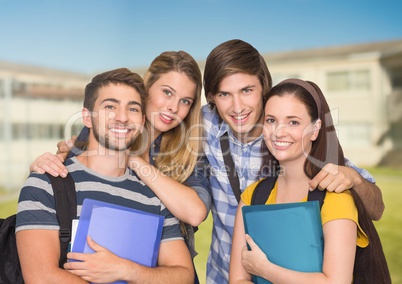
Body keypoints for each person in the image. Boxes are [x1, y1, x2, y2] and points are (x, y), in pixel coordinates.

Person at [201, 39, 385, 283]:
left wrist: (355, 181)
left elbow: (376, 208)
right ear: (212, 97)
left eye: (247, 90)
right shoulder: (204, 126)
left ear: (263, 86)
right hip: (221, 272)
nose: (237, 107)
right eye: (224, 94)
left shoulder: (318, 170)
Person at [28, 51, 211, 284]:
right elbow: (63, 181)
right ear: (147, 88)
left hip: (161, 272)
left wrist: (133, 160)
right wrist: (43, 165)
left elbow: (195, 213)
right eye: (167, 92)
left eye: (185, 101)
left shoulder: (189, 152)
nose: (174, 107)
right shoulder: (106, 128)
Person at [229, 78, 390, 283]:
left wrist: (265, 269)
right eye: (271, 120)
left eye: (293, 122)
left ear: (315, 130)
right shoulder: (253, 195)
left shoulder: (335, 196)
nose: (278, 132)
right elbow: (238, 279)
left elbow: (336, 281)